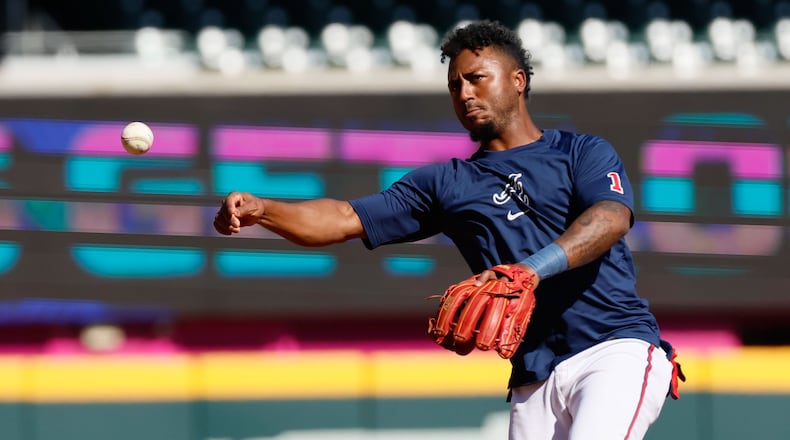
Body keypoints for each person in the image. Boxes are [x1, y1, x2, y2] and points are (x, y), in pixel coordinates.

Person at [214, 20, 680, 440]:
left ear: (518, 81)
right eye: (455, 85)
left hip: (613, 349)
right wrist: (265, 208)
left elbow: (610, 218)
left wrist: (531, 270)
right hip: (533, 375)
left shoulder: (580, 152)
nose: (464, 93)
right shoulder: (446, 184)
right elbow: (341, 219)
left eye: (477, 78)